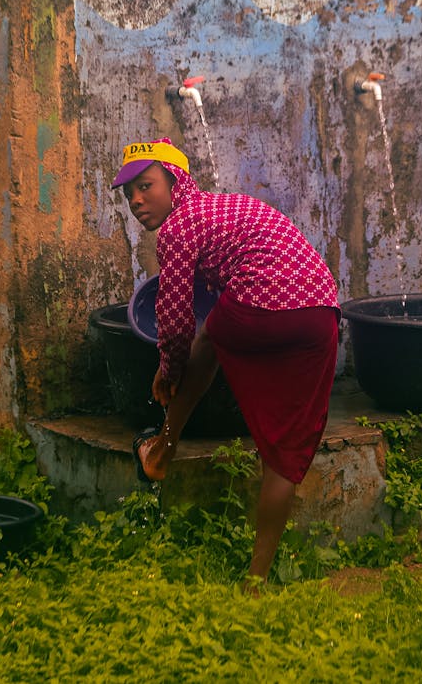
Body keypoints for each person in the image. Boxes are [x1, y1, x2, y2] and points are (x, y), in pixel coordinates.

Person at [112, 138, 341, 585]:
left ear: (175, 182)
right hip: (322, 315)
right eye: (129, 194)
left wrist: (168, 368)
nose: (137, 201)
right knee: (283, 456)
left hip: (264, 305)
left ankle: (161, 449)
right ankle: (256, 581)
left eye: (146, 186)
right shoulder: (229, 206)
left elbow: (175, 318)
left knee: (208, 340)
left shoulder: (177, 229)